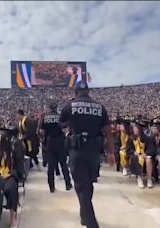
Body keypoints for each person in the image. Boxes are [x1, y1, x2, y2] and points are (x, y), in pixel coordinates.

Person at [60, 81, 115, 228]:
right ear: (88, 91)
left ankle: (91, 223)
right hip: (94, 152)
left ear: (76, 92)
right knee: (88, 185)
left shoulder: (69, 106)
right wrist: (111, 153)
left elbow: (62, 124)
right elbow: (108, 132)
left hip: (77, 150)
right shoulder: (100, 107)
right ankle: (84, 215)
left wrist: (68, 131)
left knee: (81, 186)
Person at [0, 129, 24, 228]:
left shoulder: (12, 152)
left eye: (0, 137)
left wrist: (13, 175)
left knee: (12, 188)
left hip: (10, 176)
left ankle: (13, 217)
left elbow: (18, 167)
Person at [39, 102, 72, 193]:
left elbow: (41, 131)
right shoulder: (60, 116)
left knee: (51, 166)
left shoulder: (44, 117)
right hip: (60, 142)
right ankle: (68, 184)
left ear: (49, 108)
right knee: (63, 164)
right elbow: (65, 129)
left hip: (49, 142)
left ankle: (51, 187)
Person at [129, 122, 155, 188]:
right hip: (135, 155)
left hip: (144, 155)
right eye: (134, 129)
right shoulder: (131, 138)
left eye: (136, 129)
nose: (134, 130)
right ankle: (139, 178)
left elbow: (151, 149)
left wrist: (146, 153)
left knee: (148, 160)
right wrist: (134, 152)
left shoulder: (147, 138)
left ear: (140, 129)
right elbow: (129, 149)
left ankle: (149, 179)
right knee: (136, 158)